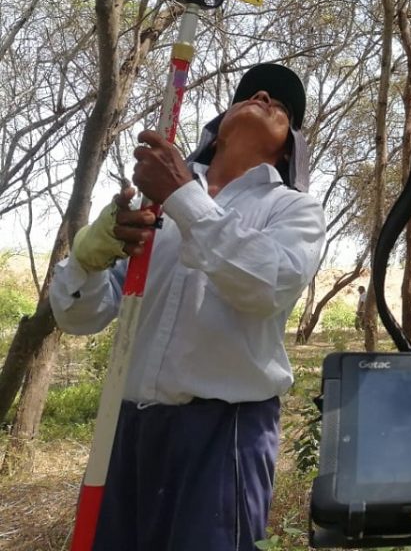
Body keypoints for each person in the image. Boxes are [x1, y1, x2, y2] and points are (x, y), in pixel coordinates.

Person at [52, 63, 327, 551]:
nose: (263, 97)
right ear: (217, 131)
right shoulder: (151, 205)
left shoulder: (293, 208)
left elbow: (268, 284)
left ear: (289, 148)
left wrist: (182, 195)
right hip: (127, 428)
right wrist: (88, 259)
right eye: (252, 93)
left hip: (226, 434)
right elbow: (80, 318)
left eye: (281, 105)